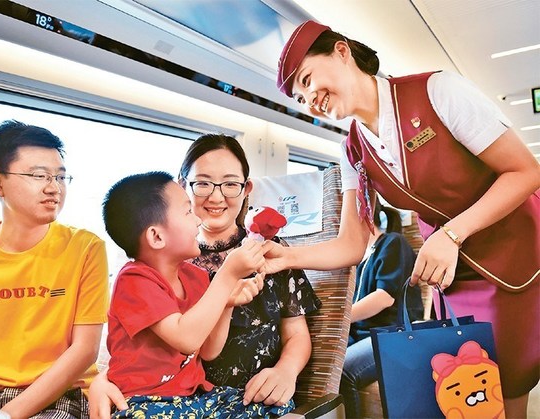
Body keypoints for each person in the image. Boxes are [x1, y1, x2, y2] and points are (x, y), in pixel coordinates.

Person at [268, 20, 540, 417]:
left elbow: (525, 172)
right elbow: (351, 244)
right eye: (300, 97)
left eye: (308, 80)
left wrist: (451, 233)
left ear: (342, 52)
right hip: (452, 273)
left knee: (508, 383)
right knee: (469, 391)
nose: (310, 99)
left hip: (515, 254)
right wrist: (285, 257)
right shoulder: (353, 151)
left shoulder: (436, 91)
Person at [89, 134, 321, 418]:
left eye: (230, 184)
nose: (216, 196)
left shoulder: (270, 253)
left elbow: (296, 333)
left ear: (246, 189)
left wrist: (286, 370)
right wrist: (102, 380)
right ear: (185, 186)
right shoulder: (168, 262)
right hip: (171, 398)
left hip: (230, 397)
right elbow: (142, 350)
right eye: (203, 183)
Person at [0, 120, 109, 418]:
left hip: (61, 394)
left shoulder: (85, 247)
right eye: (39, 176)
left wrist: (7, 416)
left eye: (61, 177)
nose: (53, 188)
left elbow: (84, 352)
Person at [340, 199, 422, 418]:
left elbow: (383, 298)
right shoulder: (356, 259)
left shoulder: (393, 243)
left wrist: (341, 321)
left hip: (396, 334)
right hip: (366, 337)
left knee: (344, 371)